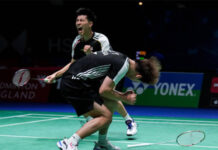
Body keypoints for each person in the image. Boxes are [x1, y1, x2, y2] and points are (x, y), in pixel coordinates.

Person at [45, 7, 137, 136]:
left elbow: (107, 59)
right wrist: (56, 75)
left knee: (108, 96)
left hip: (107, 72)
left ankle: (129, 121)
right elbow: (72, 63)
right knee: (82, 94)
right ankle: (95, 126)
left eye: (82, 20)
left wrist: (91, 54)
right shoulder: (77, 42)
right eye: (77, 20)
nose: (78, 23)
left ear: (90, 24)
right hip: (88, 74)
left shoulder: (101, 39)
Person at [56, 50, 161, 150]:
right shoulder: (123, 66)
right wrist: (125, 98)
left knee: (110, 104)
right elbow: (104, 91)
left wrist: (122, 95)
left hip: (81, 81)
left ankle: (102, 143)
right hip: (75, 83)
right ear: (138, 76)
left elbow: (107, 91)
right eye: (138, 80)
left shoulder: (123, 59)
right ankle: (70, 143)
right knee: (105, 117)